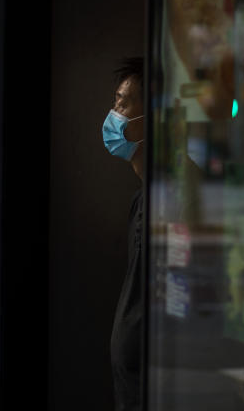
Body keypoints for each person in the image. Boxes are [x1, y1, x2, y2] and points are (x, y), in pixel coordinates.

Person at [102, 56, 146, 411]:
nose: (114, 113)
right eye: (115, 101)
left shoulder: (174, 197)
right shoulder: (140, 200)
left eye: (123, 102)